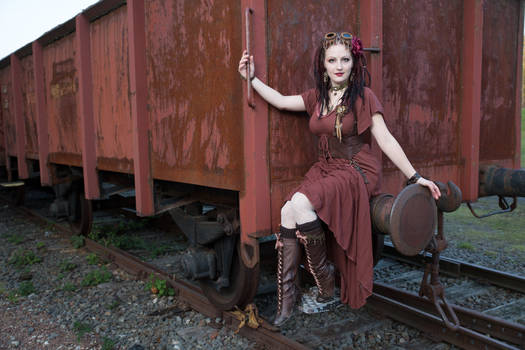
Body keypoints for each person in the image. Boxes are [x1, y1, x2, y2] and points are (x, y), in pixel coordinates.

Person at [238, 32, 441, 327]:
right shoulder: (316, 96)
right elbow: (281, 101)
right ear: (322, 63)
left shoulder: (363, 97)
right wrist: (251, 79)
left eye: (345, 60)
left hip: (357, 170)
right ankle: (287, 301)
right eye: (332, 60)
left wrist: (415, 177)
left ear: (354, 62)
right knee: (287, 211)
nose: (338, 66)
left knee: (300, 203)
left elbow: (384, 138)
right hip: (327, 168)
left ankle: (325, 287)